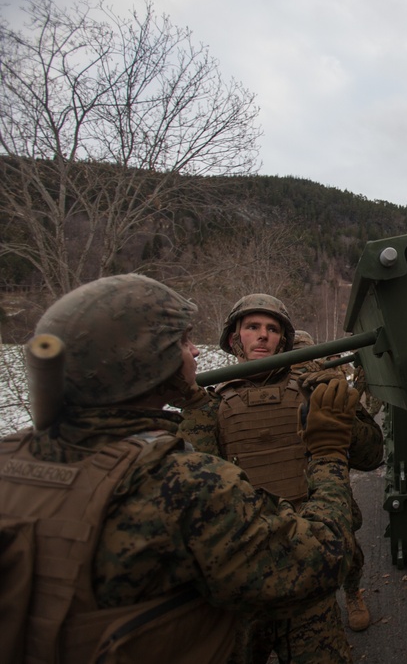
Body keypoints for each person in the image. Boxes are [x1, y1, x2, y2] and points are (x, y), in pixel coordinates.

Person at [0, 275, 358, 663]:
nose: (196, 353)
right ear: (148, 362)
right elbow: (324, 556)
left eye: (272, 329)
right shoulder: (186, 485)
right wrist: (328, 452)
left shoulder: (12, 459)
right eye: (184, 343)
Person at [178, 294, 383, 663]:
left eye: (272, 329)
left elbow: (372, 457)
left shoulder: (311, 389)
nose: (263, 336)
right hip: (247, 564)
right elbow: (200, 493)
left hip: (310, 549)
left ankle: (352, 592)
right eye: (252, 327)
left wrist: (340, 407)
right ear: (234, 339)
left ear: (284, 340)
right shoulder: (210, 406)